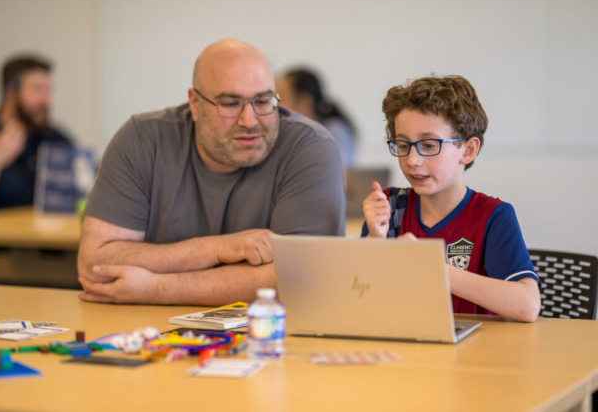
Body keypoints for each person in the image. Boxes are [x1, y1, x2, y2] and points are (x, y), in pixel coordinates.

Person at [77, 39, 345, 306]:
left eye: (263, 101)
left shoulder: (309, 147)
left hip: (269, 330)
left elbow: (302, 277)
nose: (249, 121)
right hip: (145, 328)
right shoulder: (141, 140)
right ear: (195, 103)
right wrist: (216, 248)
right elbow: (94, 266)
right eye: (229, 103)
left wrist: (156, 288)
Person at [361, 75, 541, 323]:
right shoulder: (390, 206)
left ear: (467, 150)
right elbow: (359, 299)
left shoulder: (492, 215)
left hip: (476, 347)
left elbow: (528, 306)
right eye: (402, 145)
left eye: (429, 145)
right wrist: (375, 240)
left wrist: (432, 268)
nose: (412, 160)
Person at [0, 55, 71, 214]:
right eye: (37, 89)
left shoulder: (56, 139)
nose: (46, 100)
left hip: (44, 230)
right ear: (10, 92)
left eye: (48, 90)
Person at [277, 69, 357, 168]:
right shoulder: (296, 133)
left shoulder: (333, 132)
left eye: (281, 97)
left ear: (304, 101)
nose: (277, 105)